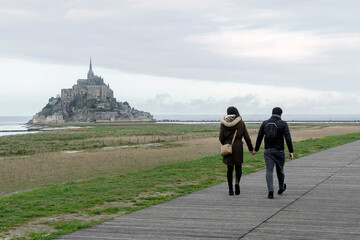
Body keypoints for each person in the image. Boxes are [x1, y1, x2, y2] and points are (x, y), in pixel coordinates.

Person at [254, 107, 294, 199]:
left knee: (269, 170)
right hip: (280, 151)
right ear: (281, 114)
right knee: (280, 170)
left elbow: (259, 137)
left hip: (268, 151)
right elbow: (288, 138)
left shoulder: (264, 123)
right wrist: (291, 151)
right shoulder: (283, 124)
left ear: (272, 113)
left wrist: (256, 149)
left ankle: (270, 191)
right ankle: (281, 187)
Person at [219, 106, 255, 196]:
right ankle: (237, 183)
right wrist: (251, 149)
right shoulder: (241, 123)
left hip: (228, 146)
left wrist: (226, 143)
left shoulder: (223, 123)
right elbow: (247, 137)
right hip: (238, 147)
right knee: (238, 168)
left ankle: (230, 190)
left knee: (229, 169)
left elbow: (220, 137)